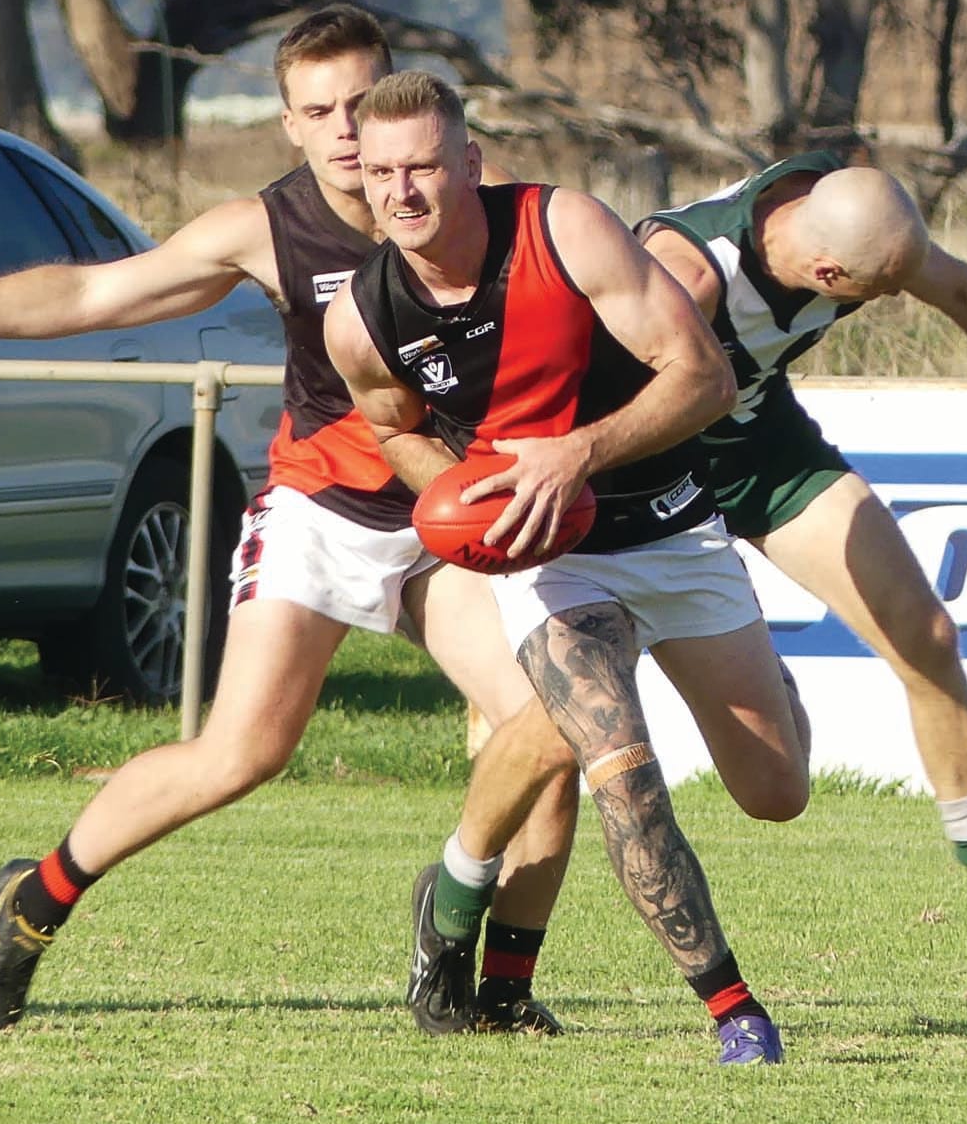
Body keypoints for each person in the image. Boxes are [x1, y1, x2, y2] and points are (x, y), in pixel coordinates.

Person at [0, 5, 579, 1035]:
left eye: (361, 101)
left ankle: (493, 988)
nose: (349, 131)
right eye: (319, 110)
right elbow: (89, 293)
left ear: (404, 103)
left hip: (446, 520)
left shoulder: (482, 204)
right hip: (322, 513)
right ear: (291, 126)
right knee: (240, 753)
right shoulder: (264, 228)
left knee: (554, 727)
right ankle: (35, 898)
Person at [325, 70, 813, 1066]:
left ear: (468, 161)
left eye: (422, 165)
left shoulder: (569, 230)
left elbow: (705, 377)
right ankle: (733, 1008)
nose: (403, 192)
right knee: (619, 763)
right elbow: (396, 431)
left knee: (776, 787)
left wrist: (575, 452)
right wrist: (473, 498)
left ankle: (453, 880)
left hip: (674, 528)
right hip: (555, 563)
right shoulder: (362, 318)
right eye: (380, 173)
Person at [637, 153, 967, 941]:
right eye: (875, 290)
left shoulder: (857, 217)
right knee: (773, 789)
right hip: (646, 472)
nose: (890, 299)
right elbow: (574, 386)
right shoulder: (687, 275)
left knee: (926, 634)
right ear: (825, 269)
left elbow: (956, 287)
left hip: (759, 447)